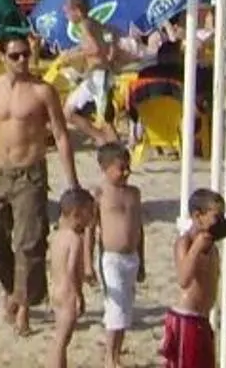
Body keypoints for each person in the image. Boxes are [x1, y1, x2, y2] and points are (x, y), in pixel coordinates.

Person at [0, 30, 79, 336]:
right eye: (15, 55)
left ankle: (23, 307)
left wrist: (72, 181)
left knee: (28, 241)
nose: (23, 60)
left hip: (30, 172)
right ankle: (14, 288)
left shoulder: (42, 91)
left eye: (26, 54)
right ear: (1, 56)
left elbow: (61, 136)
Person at [165, 189, 226, 368]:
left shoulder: (213, 248)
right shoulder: (185, 243)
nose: (221, 222)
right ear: (198, 216)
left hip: (203, 319)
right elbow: (183, 279)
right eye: (217, 217)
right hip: (185, 319)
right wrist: (196, 249)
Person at [93, 139, 144, 366]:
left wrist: (143, 261)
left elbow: (139, 228)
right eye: (120, 168)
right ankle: (109, 356)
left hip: (131, 257)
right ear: (105, 168)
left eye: (127, 167)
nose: (126, 173)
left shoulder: (134, 193)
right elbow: (90, 230)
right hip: (111, 257)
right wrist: (86, 260)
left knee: (126, 308)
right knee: (115, 307)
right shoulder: (101, 194)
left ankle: (117, 352)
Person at [49, 187, 95, 368]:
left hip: (56, 290)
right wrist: (78, 294)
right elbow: (71, 269)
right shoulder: (75, 239)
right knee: (62, 341)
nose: (92, 218)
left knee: (57, 339)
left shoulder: (58, 236)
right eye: (89, 214)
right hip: (68, 293)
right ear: (77, 214)